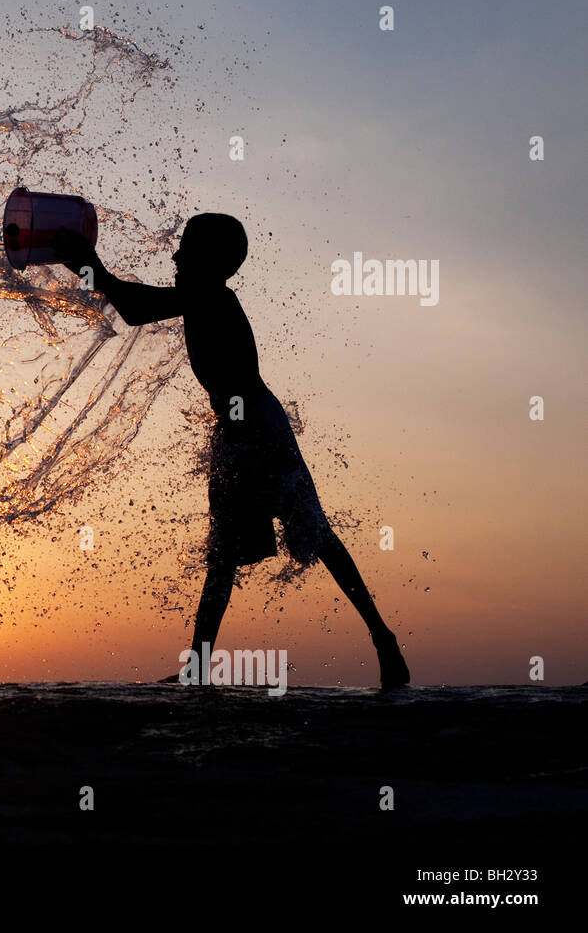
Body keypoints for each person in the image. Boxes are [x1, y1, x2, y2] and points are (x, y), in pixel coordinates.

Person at [56, 215, 410, 688]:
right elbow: (136, 304)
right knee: (260, 543)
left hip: (256, 432)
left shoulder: (211, 297)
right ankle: (377, 639)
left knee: (297, 535)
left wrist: (91, 265)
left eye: (186, 250)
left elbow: (136, 309)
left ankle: (378, 639)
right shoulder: (203, 298)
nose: (176, 257)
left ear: (213, 261)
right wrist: (91, 269)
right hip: (246, 427)